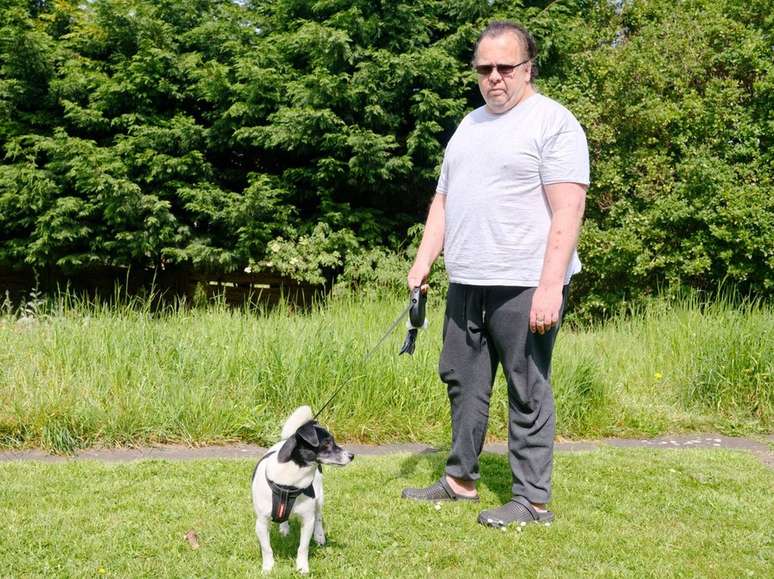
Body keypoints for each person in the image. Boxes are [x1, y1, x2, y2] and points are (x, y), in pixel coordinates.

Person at [401, 21, 589, 527]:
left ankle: (532, 501)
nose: (495, 77)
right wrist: (423, 263)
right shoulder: (469, 125)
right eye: (484, 68)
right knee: (462, 381)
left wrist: (551, 286)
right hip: (468, 280)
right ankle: (461, 480)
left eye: (506, 67)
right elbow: (443, 200)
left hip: (526, 282)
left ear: (528, 69)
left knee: (527, 389)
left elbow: (569, 209)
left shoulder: (553, 123)